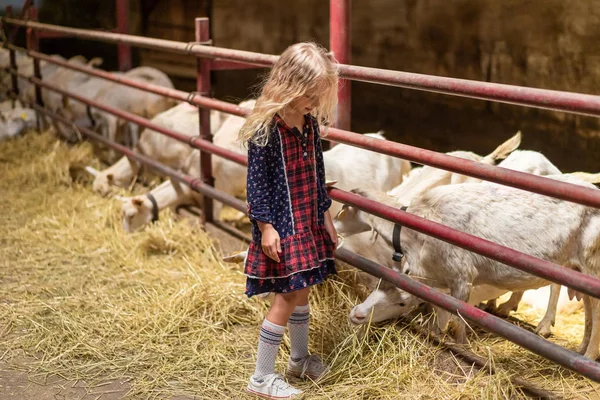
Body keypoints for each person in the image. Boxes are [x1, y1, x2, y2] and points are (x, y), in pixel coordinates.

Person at [238, 41, 339, 399]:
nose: (314, 101)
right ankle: (262, 377)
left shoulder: (309, 124)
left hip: (307, 221)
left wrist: (325, 213)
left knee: (302, 290)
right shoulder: (266, 128)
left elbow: (316, 172)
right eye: (309, 93)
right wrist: (266, 227)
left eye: (319, 94)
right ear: (290, 85)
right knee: (285, 296)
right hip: (282, 227)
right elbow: (257, 185)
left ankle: (298, 360)